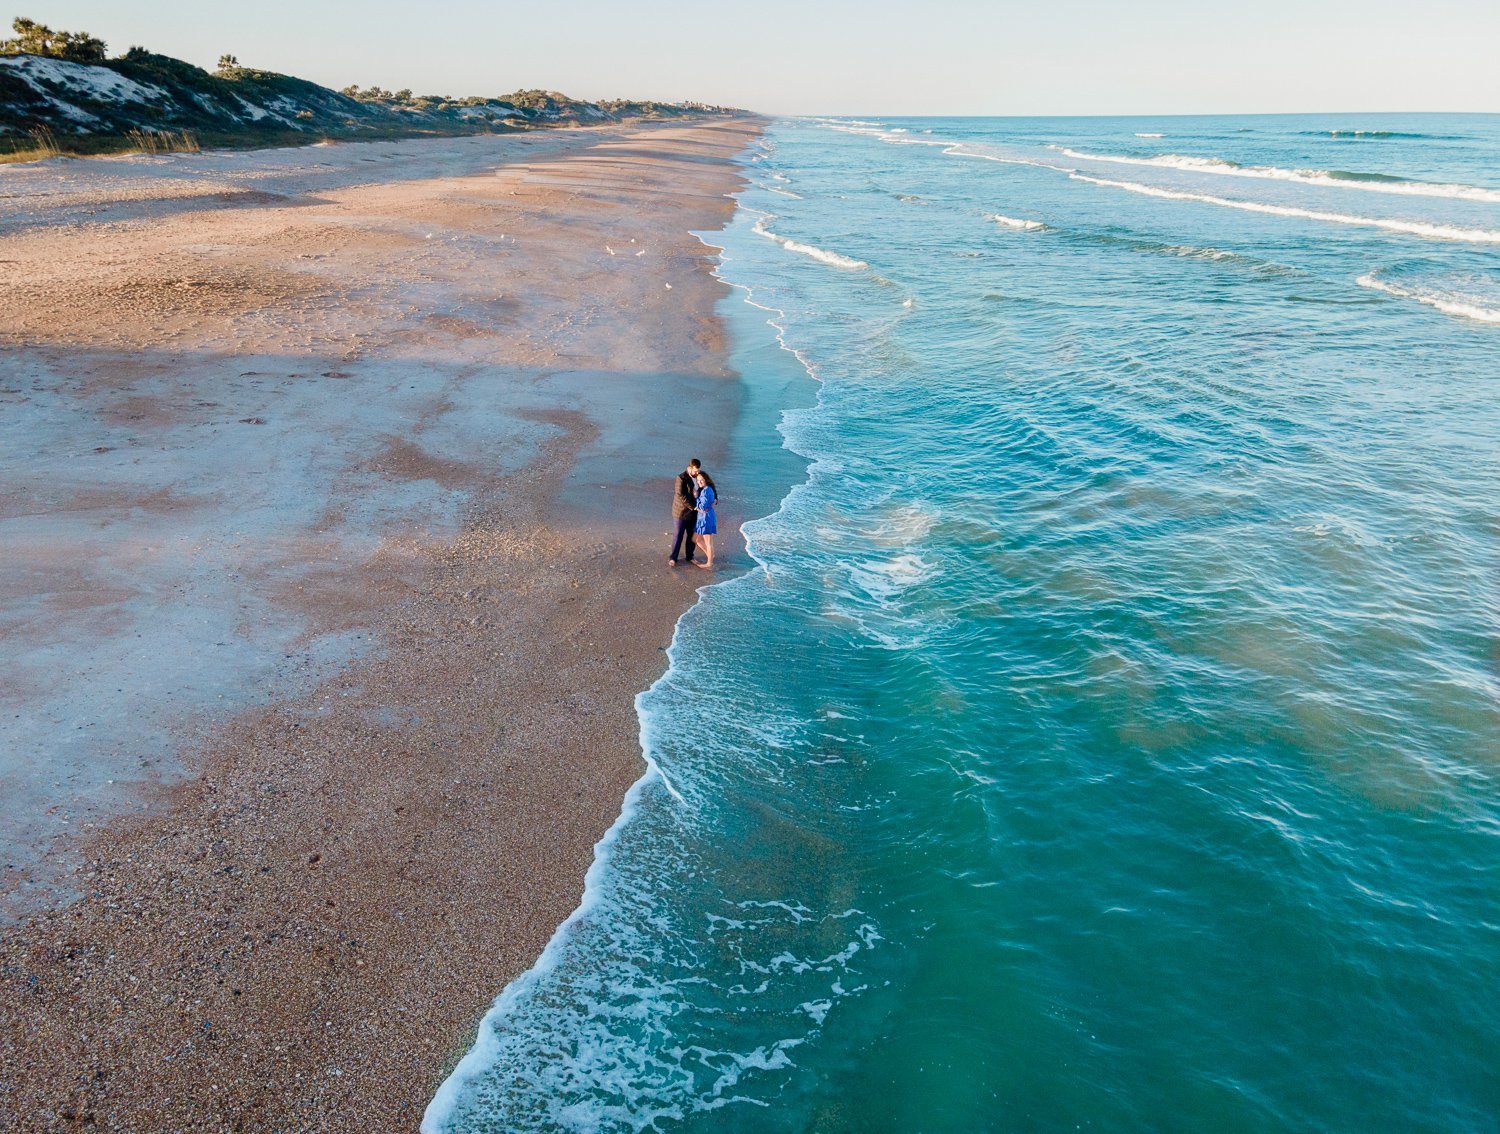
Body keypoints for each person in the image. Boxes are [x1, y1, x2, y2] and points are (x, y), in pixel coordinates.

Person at [669, 459, 701, 567]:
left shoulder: (699, 476)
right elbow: (680, 495)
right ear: (690, 468)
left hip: (694, 512)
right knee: (678, 535)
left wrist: (714, 496)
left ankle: (690, 556)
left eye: (698, 471)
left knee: (692, 536)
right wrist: (693, 507)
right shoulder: (681, 478)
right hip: (681, 512)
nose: (697, 473)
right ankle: (673, 558)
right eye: (695, 471)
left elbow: (708, 484)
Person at [693, 470, 718, 569]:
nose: (699, 482)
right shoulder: (704, 489)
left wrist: (695, 497)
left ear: (706, 480)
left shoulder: (707, 490)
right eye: (698, 480)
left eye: (701, 480)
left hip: (706, 518)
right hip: (703, 517)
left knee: (708, 542)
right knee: (697, 539)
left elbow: (703, 507)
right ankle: (710, 555)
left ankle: (709, 564)